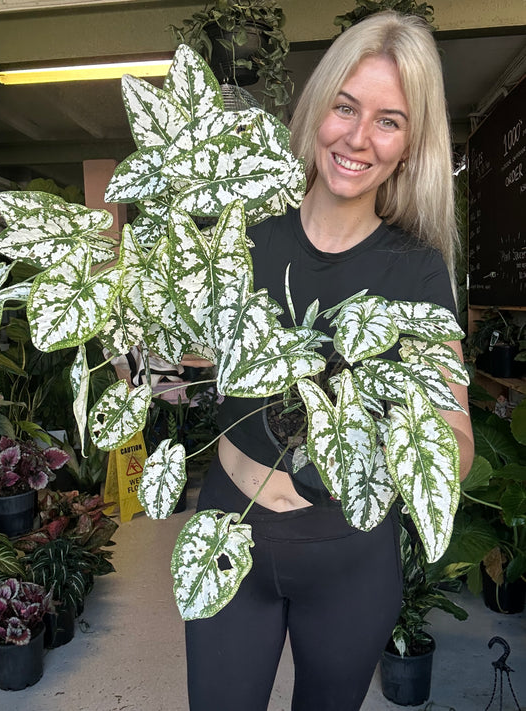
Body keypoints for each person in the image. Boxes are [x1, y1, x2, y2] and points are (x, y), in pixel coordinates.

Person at [185, 11, 474, 711]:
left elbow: (455, 444)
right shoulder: (239, 239)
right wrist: (150, 361)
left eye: (387, 120)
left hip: (350, 554)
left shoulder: (417, 273)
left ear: (409, 144)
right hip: (231, 530)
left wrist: (357, 428)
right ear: (318, 109)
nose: (356, 137)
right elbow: (190, 363)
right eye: (345, 107)